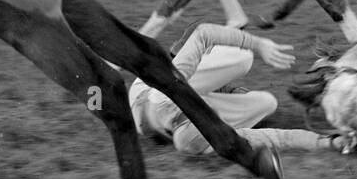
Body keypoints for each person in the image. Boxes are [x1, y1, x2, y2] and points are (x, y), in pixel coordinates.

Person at [128, 23, 345, 155]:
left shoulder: (192, 135)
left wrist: (327, 143)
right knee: (244, 56)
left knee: (267, 102)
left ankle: (206, 64)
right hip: (166, 105)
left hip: (159, 106)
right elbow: (274, 138)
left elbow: (271, 138)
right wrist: (326, 143)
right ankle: (219, 55)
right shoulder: (194, 137)